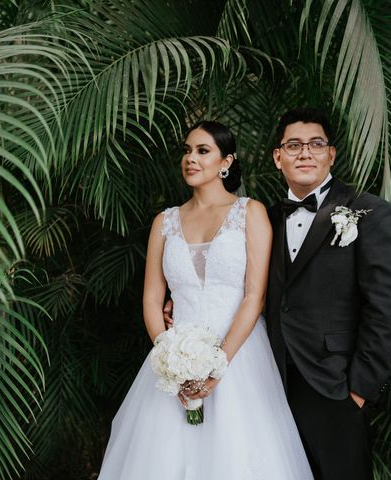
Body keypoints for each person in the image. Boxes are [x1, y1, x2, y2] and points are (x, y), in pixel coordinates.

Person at [98, 121, 313, 479]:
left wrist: (217, 366)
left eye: (202, 151)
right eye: (186, 151)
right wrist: (170, 357)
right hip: (174, 360)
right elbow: (153, 299)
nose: (191, 159)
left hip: (240, 355)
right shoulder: (163, 222)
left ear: (225, 162)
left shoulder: (251, 213)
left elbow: (253, 296)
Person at [265, 107, 391, 479]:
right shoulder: (264, 219)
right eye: (293, 145)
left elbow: (384, 306)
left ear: (332, 154)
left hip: (335, 384)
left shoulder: (368, 210)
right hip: (270, 384)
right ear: (278, 157)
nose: (305, 153)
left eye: (316, 144)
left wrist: (360, 388)